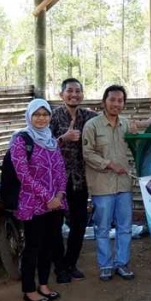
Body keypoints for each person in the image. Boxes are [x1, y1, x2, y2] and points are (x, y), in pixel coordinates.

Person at [83, 85, 151, 282]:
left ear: (123, 103)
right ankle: (105, 265)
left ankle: (122, 263)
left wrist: (140, 132)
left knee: (124, 226)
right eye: (112, 99)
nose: (116, 104)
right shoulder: (92, 126)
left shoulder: (126, 125)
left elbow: (136, 145)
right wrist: (110, 165)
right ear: (104, 101)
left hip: (124, 185)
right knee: (103, 227)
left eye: (120, 100)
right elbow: (88, 154)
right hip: (102, 185)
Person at [11, 99, 67, 301]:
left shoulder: (51, 140)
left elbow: (61, 170)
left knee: (49, 245)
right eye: (37, 114)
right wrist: (47, 197)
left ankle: (43, 284)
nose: (41, 118)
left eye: (45, 114)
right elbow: (23, 175)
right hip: (33, 203)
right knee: (33, 246)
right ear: (29, 116)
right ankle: (28, 289)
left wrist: (59, 196)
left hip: (55, 204)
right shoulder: (21, 140)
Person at [50, 78, 98, 283]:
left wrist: (145, 122)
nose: (74, 94)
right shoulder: (50, 117)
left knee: (79, 224)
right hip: (55, 182)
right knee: (55, 225)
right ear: (62, 95)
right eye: (69, 91)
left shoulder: (88, 116)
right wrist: (63, 138)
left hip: (79, 180)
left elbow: (110, 121)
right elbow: (41, 145)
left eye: (78, 91)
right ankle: (59, 268)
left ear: (82, 95)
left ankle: (71, 263)